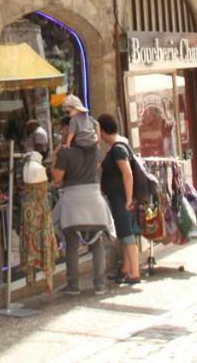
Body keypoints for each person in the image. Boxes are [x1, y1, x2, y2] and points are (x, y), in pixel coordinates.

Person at [50, 116, 113, 295]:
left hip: (73, 200)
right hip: (94, 196)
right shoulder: (95, 150)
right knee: (97, 242)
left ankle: (73, 285)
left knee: (72, 244)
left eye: (64, 128)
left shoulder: (65, 152)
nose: (62, 132)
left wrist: (55, 155)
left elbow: (56, 179)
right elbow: (97, 167)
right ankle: (100, 284)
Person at [97, 113, 141, 286]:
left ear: (102, 130)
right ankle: (126, 270)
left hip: (121, 198)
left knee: (127, 234)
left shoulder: (118, 149)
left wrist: (128, 199)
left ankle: (135, 273)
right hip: (119, 197)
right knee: (124, 233)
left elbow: (127, 174)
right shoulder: (119, 145)